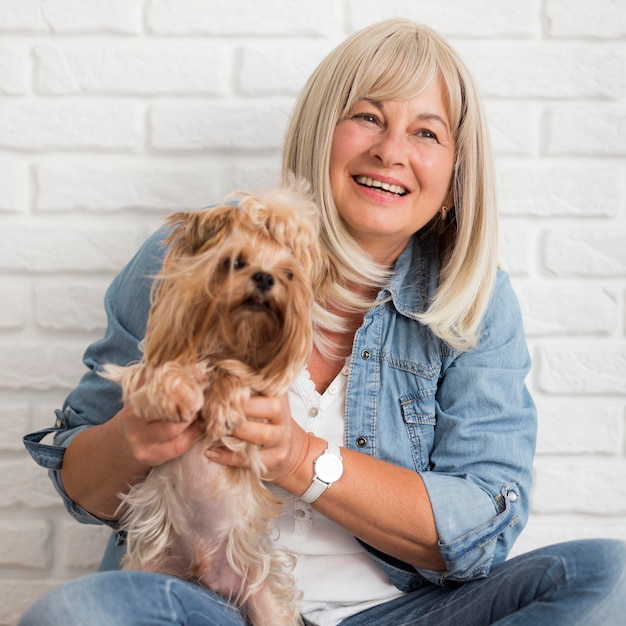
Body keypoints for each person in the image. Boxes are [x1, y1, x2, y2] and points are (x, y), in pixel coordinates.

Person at [21, 18, 626, 626]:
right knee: (77, 614)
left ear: (453, 178)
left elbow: (481, 526)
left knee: (611, 579)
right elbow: (80, 484)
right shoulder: (201, 251)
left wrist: (299, 457)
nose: (390, 151)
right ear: (320, 131)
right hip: (205, 601)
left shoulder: (474, 302)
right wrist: (133, 437)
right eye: (367, 116)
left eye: (425, 132)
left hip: (400, 614)